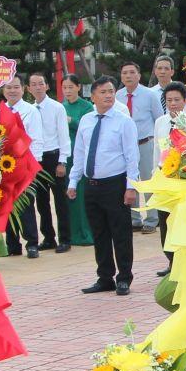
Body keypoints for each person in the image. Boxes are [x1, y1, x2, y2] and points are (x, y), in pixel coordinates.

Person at [67, 76, 139, 296]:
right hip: (91, 185)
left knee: (121, 232)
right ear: (93, 96)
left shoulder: (123, 121)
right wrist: (73, 181)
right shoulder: (87, 120)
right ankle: (105, 276)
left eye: (111, 91)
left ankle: (124, 277)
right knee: (99, 233)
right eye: (103, 92)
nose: (108, 96)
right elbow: (80, 153)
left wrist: (131, 186)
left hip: (115, 184)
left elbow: (132, 156)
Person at [27, 72, 72, 253]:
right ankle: (48, 238)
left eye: (41, 83)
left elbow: (64, 135)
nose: (38, 87)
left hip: (54, 157)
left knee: (60, 200)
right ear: (28, 89)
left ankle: (65, 239)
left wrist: (62, 161)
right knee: (41, 201)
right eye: (34, 84)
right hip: (36, 159)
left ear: (47, 86)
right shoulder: (29, 110)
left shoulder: (57, 108)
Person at [0, 75, 43, 259]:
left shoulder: (31, 111)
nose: (12, 91)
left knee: (26, 205)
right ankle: (13, 244)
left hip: (25, 166)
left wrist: (34, 166)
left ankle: (32, 243)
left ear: (23, 89)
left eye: (16, 87)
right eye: (9, 87)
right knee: (7, 205)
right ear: (3, 90)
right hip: (4, 167)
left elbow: (36, 140)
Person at [118, 61, 163, 232]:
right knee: (131, 182)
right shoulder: (117, 96)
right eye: (124, 73)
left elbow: (159, 119)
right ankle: (134, 219)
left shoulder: (150, 95)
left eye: (132, 72)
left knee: (148, 182)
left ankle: (152, 220)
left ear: (139, 75)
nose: (128, 76)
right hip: (126, 147)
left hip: (145, 143)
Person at [153, 82, 186, 277]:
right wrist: (155, 176)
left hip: (184, 178)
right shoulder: (160, 122)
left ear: (185, 100)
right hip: (164, 177)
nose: (173, 104)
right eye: (169, 100)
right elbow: (156, 150)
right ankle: (171, 260)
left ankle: (184, 262)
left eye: (177, 100)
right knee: (165, 220)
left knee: (182, 221)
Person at [60, 74, 94, 247]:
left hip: (81, 156)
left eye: (71, 87)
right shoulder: (61, 107)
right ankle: (72, 234)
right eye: (64, 88)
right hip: (66, 156)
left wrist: (71, 121)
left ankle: (86, 233)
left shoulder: (87, 106)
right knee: (69, 195)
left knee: (81, 196)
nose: (67, 91)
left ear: (78, 87)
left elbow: (88, 126)